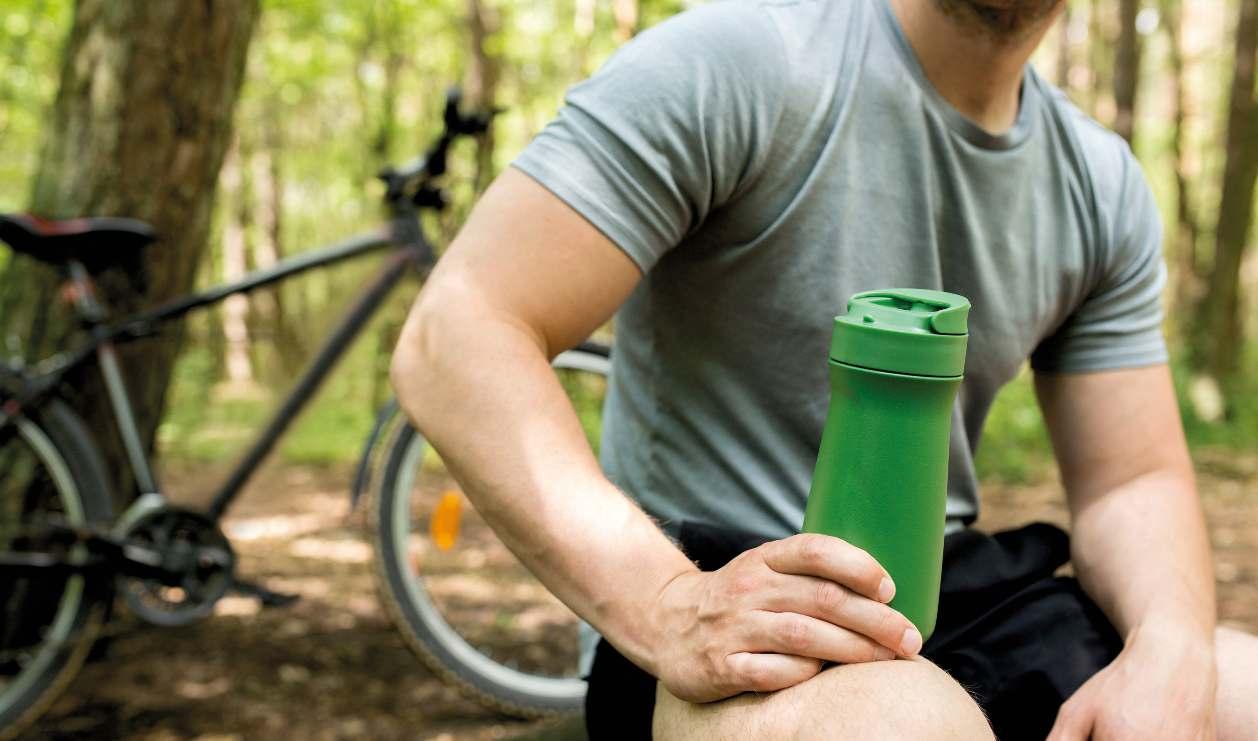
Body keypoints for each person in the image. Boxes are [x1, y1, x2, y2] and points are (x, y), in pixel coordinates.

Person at [390, 0, 1258, 737]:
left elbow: (1131, 479)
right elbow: (458, 331)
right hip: (721, 601)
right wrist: (665, 602)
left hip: (955, 595)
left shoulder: (1099, 181)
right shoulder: (741, 61)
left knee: (1240, 692)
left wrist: (1171, 646)